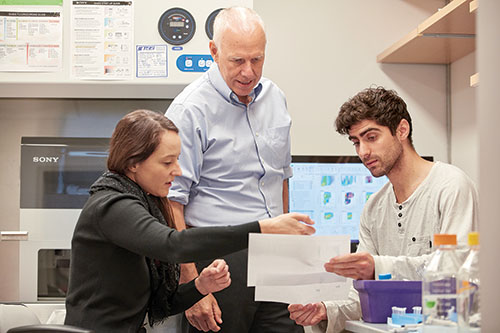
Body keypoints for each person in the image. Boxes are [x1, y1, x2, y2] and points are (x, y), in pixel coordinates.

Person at [64, 110, 315, 333]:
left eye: (178, 159)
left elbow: (159, 304)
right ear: (133, 164)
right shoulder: (112, 205)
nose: (178, 170)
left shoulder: (144, 205)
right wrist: (263, 227)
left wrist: (200, 286)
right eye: (167, 162)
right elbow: (173, 245)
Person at [288, 87, 479, 333]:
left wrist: (378, 266)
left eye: (371, 137)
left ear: (402, 130)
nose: (363, 152)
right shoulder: (373, 208)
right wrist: (326, 309)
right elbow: (361, 295)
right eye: (356, 142)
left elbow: (456, 271)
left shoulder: (451, 186)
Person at [165, 7, 302, 333]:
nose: (248, 71)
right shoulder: (189, 110)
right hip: (216, 257)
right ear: (214, 51)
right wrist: (192, 286)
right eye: (237, 60)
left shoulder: (275, 98)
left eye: (257, 59)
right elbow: (171, 202)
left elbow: (281, 177)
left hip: (275, 254)